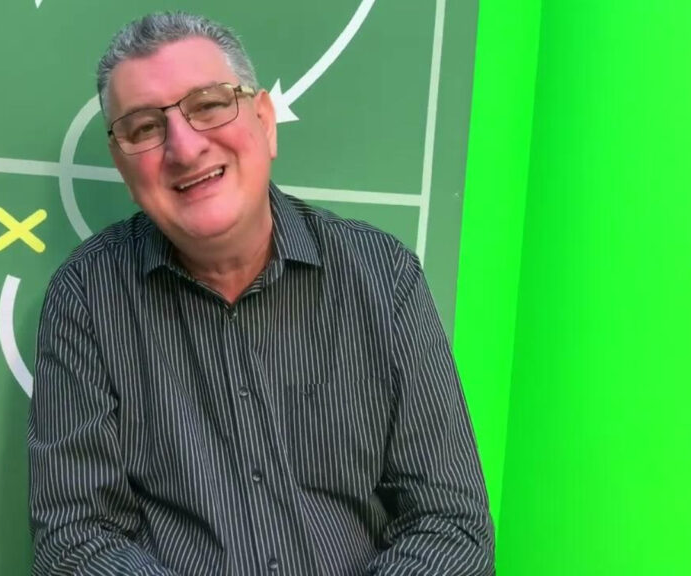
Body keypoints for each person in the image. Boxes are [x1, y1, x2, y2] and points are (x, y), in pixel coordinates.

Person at [28, 11, 495, 575]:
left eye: (208, 105)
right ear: (124, 167)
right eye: (145, 129)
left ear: (265, 122)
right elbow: (74, 540)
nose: (184, 148)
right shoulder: (84, 297)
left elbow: (452, 526)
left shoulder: (383, 276)